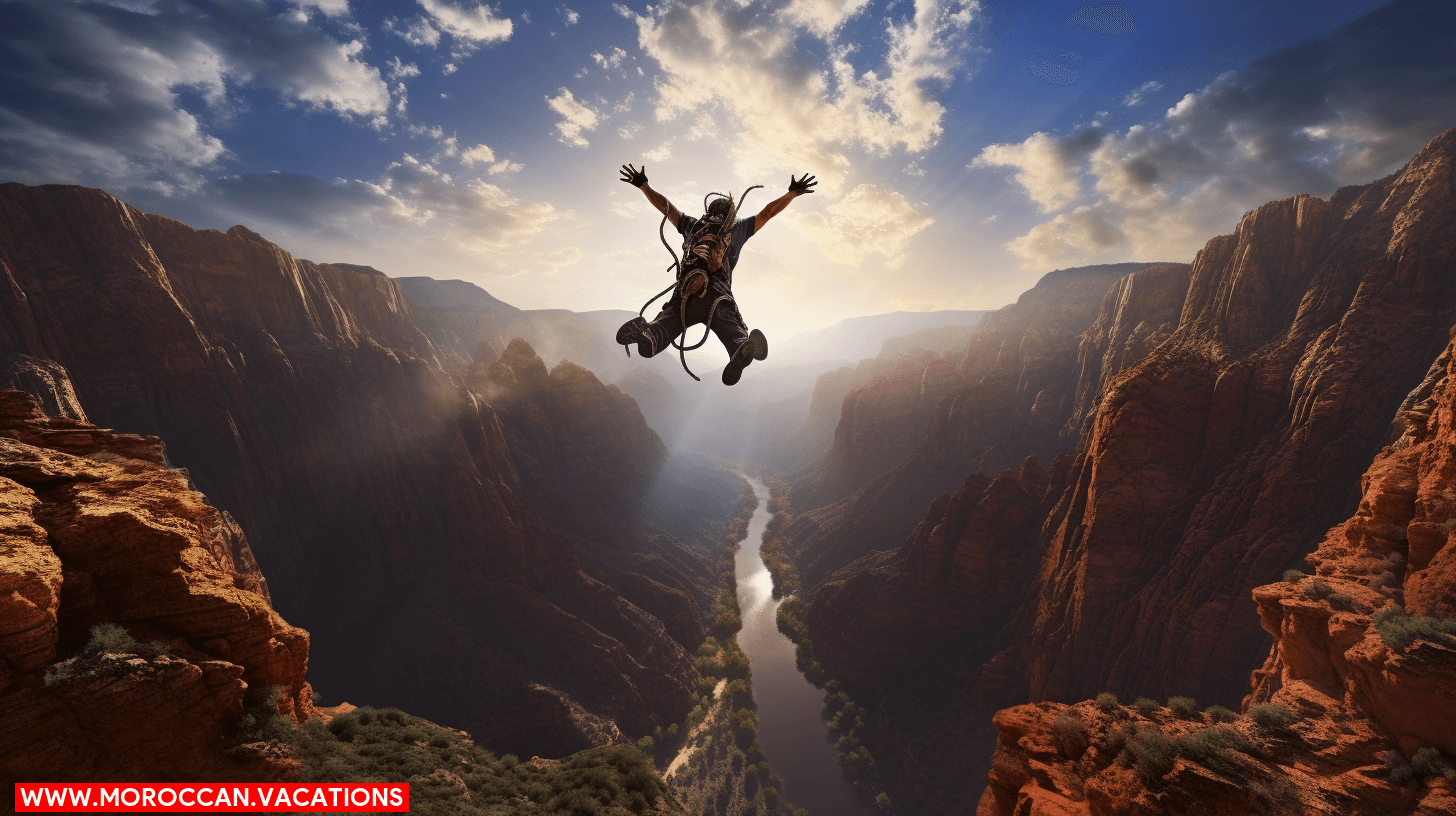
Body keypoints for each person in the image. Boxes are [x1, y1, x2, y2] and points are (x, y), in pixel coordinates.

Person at [615, 164, 816, 385]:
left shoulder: (693, 225)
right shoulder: (736, 230)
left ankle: (650, 335)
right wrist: (792, 193)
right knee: (733, 330)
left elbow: (667, 208)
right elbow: (767, 213)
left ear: (708, 211)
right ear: (731, 215)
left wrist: (644, 186)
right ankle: (740, 345)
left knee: (666, 324)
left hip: (686, 297)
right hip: (717, 298)